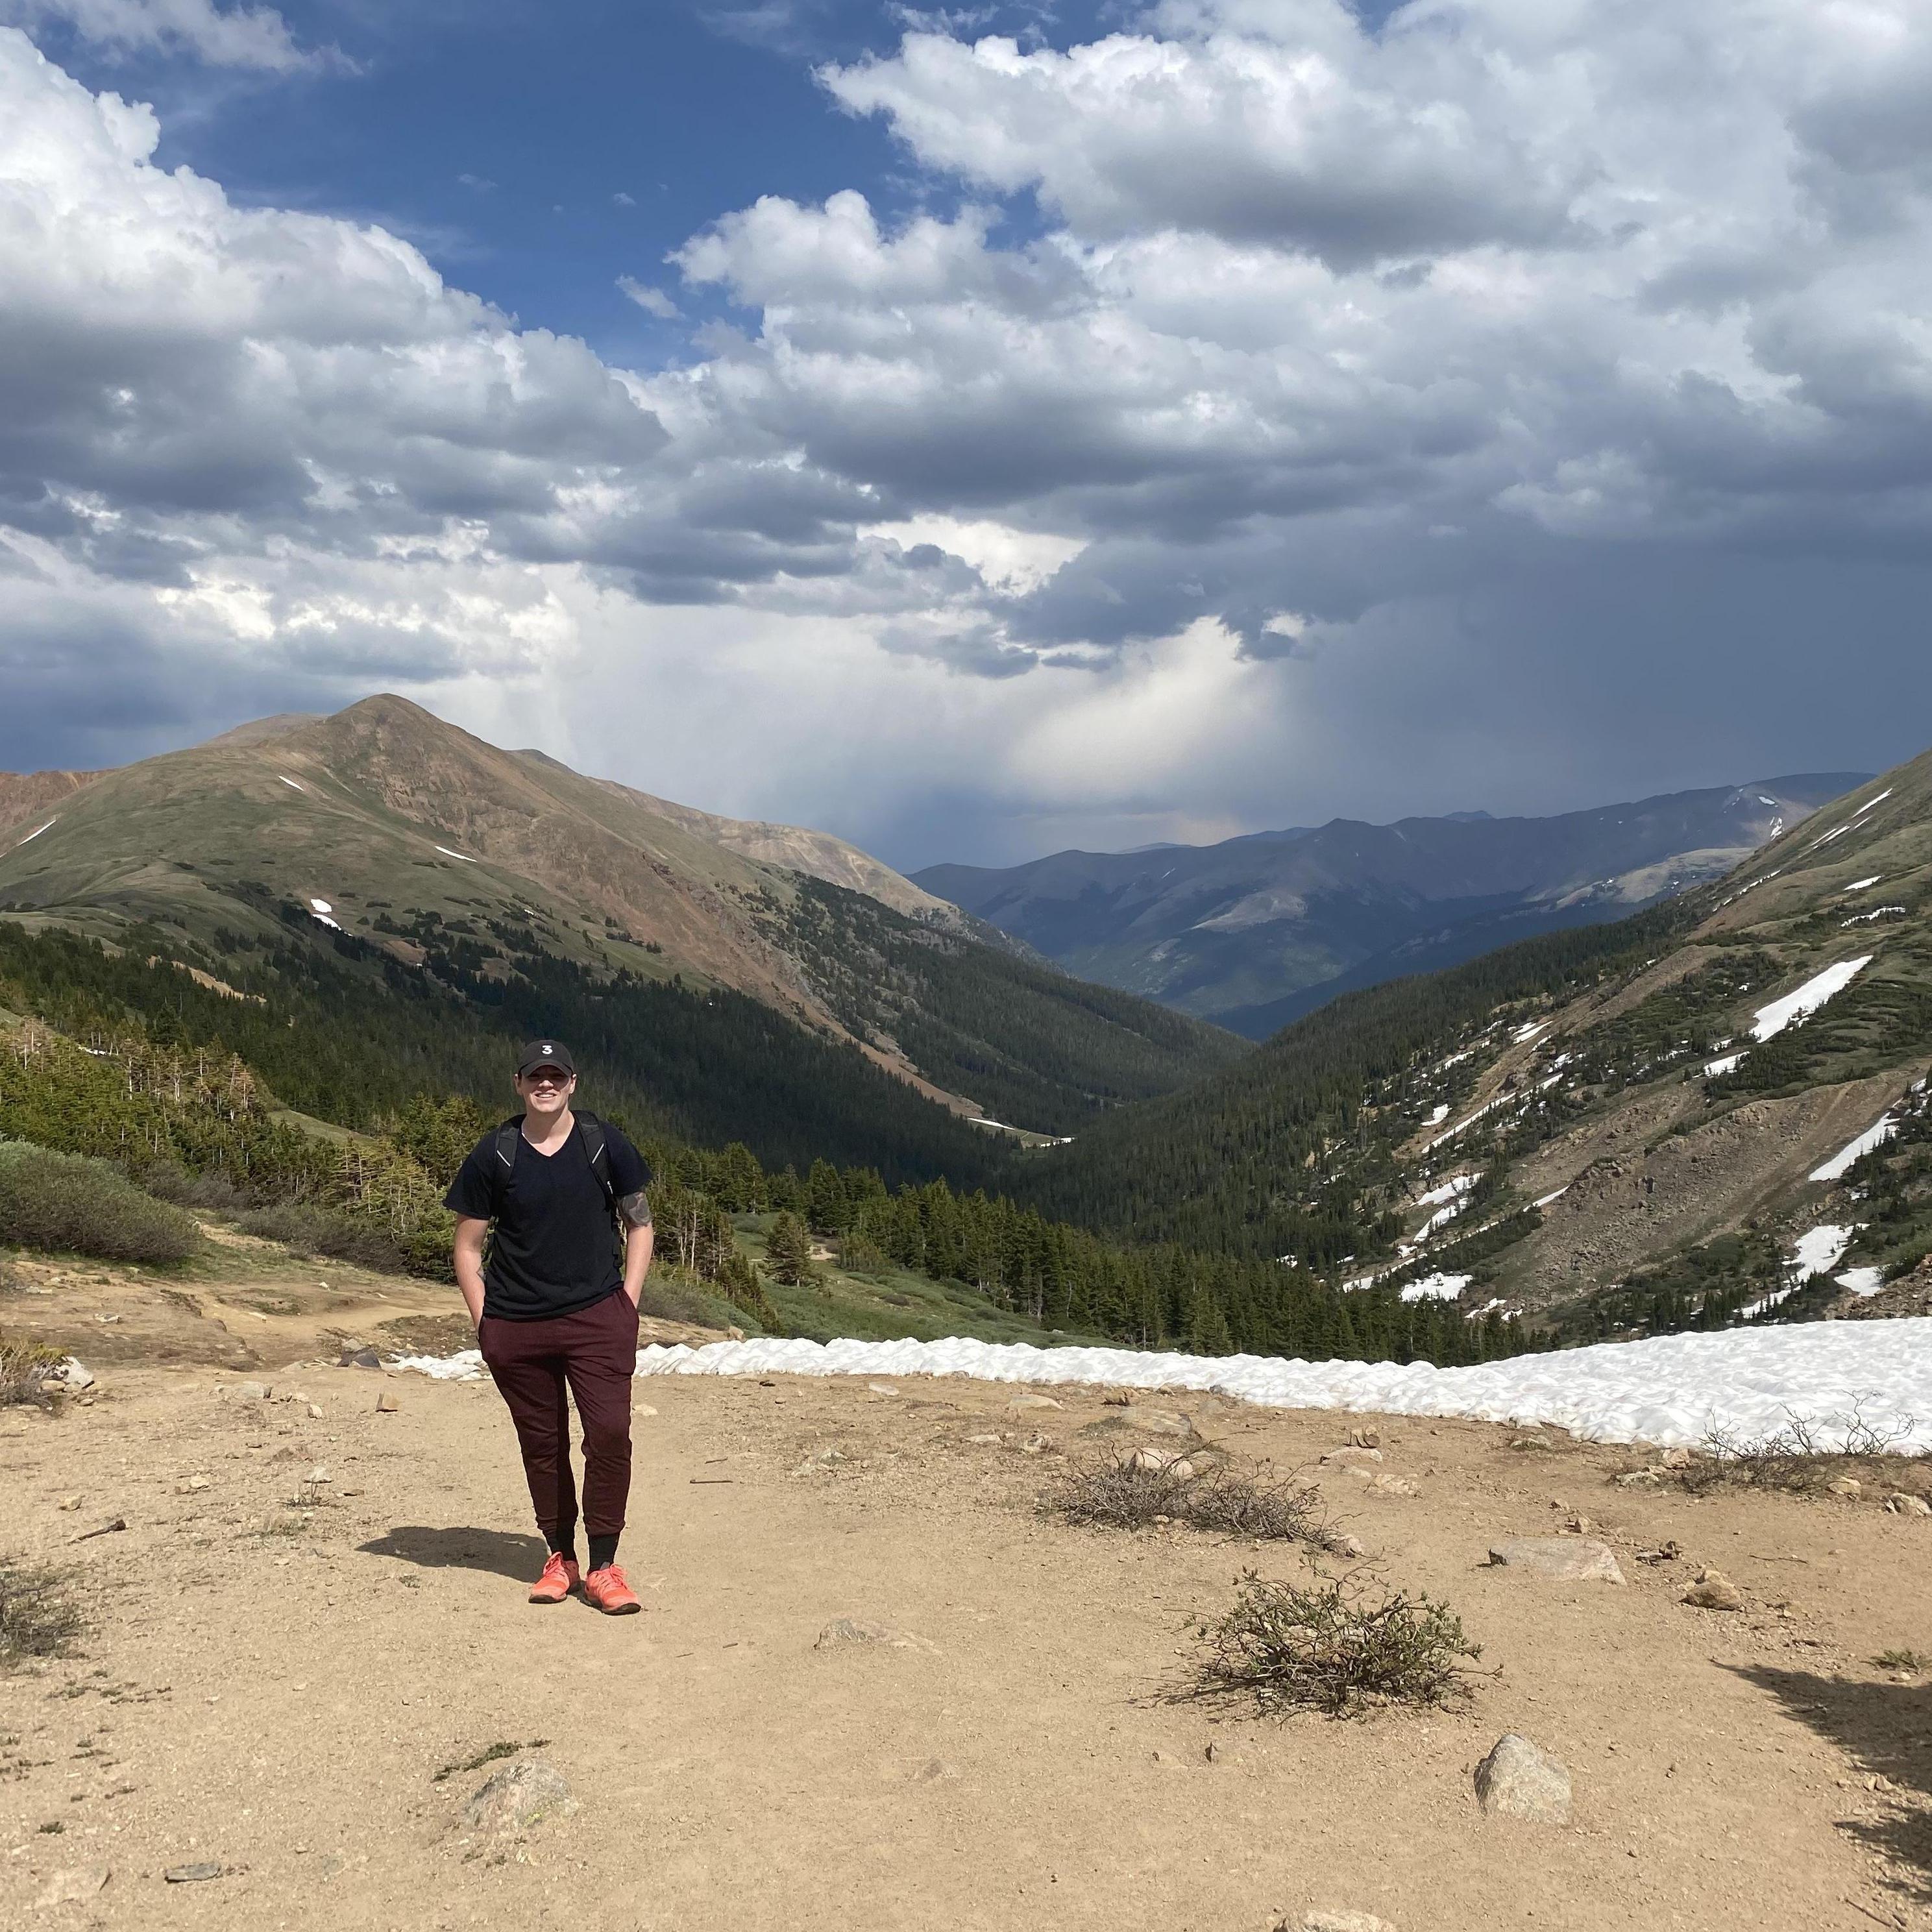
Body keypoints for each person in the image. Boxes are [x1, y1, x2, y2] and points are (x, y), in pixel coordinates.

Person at [446, 1040, 655, 1613]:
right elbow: (467, 1244)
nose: (546, 1084)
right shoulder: (497, 1152)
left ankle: (604, 1565)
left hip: (597, 1317)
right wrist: (483, 1318)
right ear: (518, 1083)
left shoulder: (602, 1143)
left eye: (555, 1075)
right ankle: (560, 1558)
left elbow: (640, 1224)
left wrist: (627, 1303)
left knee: (609, 1434)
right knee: (543, 1445)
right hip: (516, 1324)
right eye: (535, 1076)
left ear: (572, 1082)